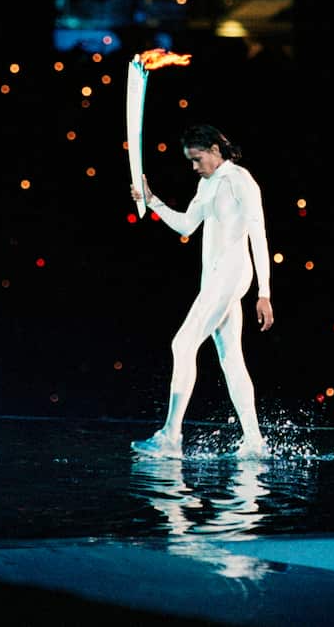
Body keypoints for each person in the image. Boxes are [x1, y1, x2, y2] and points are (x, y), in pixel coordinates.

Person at [130, 124, 274, 458]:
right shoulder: (206, 184)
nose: (194, 167)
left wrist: (264, 292)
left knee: (182, 344)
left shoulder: (241, 181)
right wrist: (151, 201)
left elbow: (259, 235)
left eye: (196, 159)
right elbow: (186, 225)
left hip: (232, 274)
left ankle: (171, 434)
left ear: (213, 149)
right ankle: (255, 441)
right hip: (214, 279)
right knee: (231, 359)